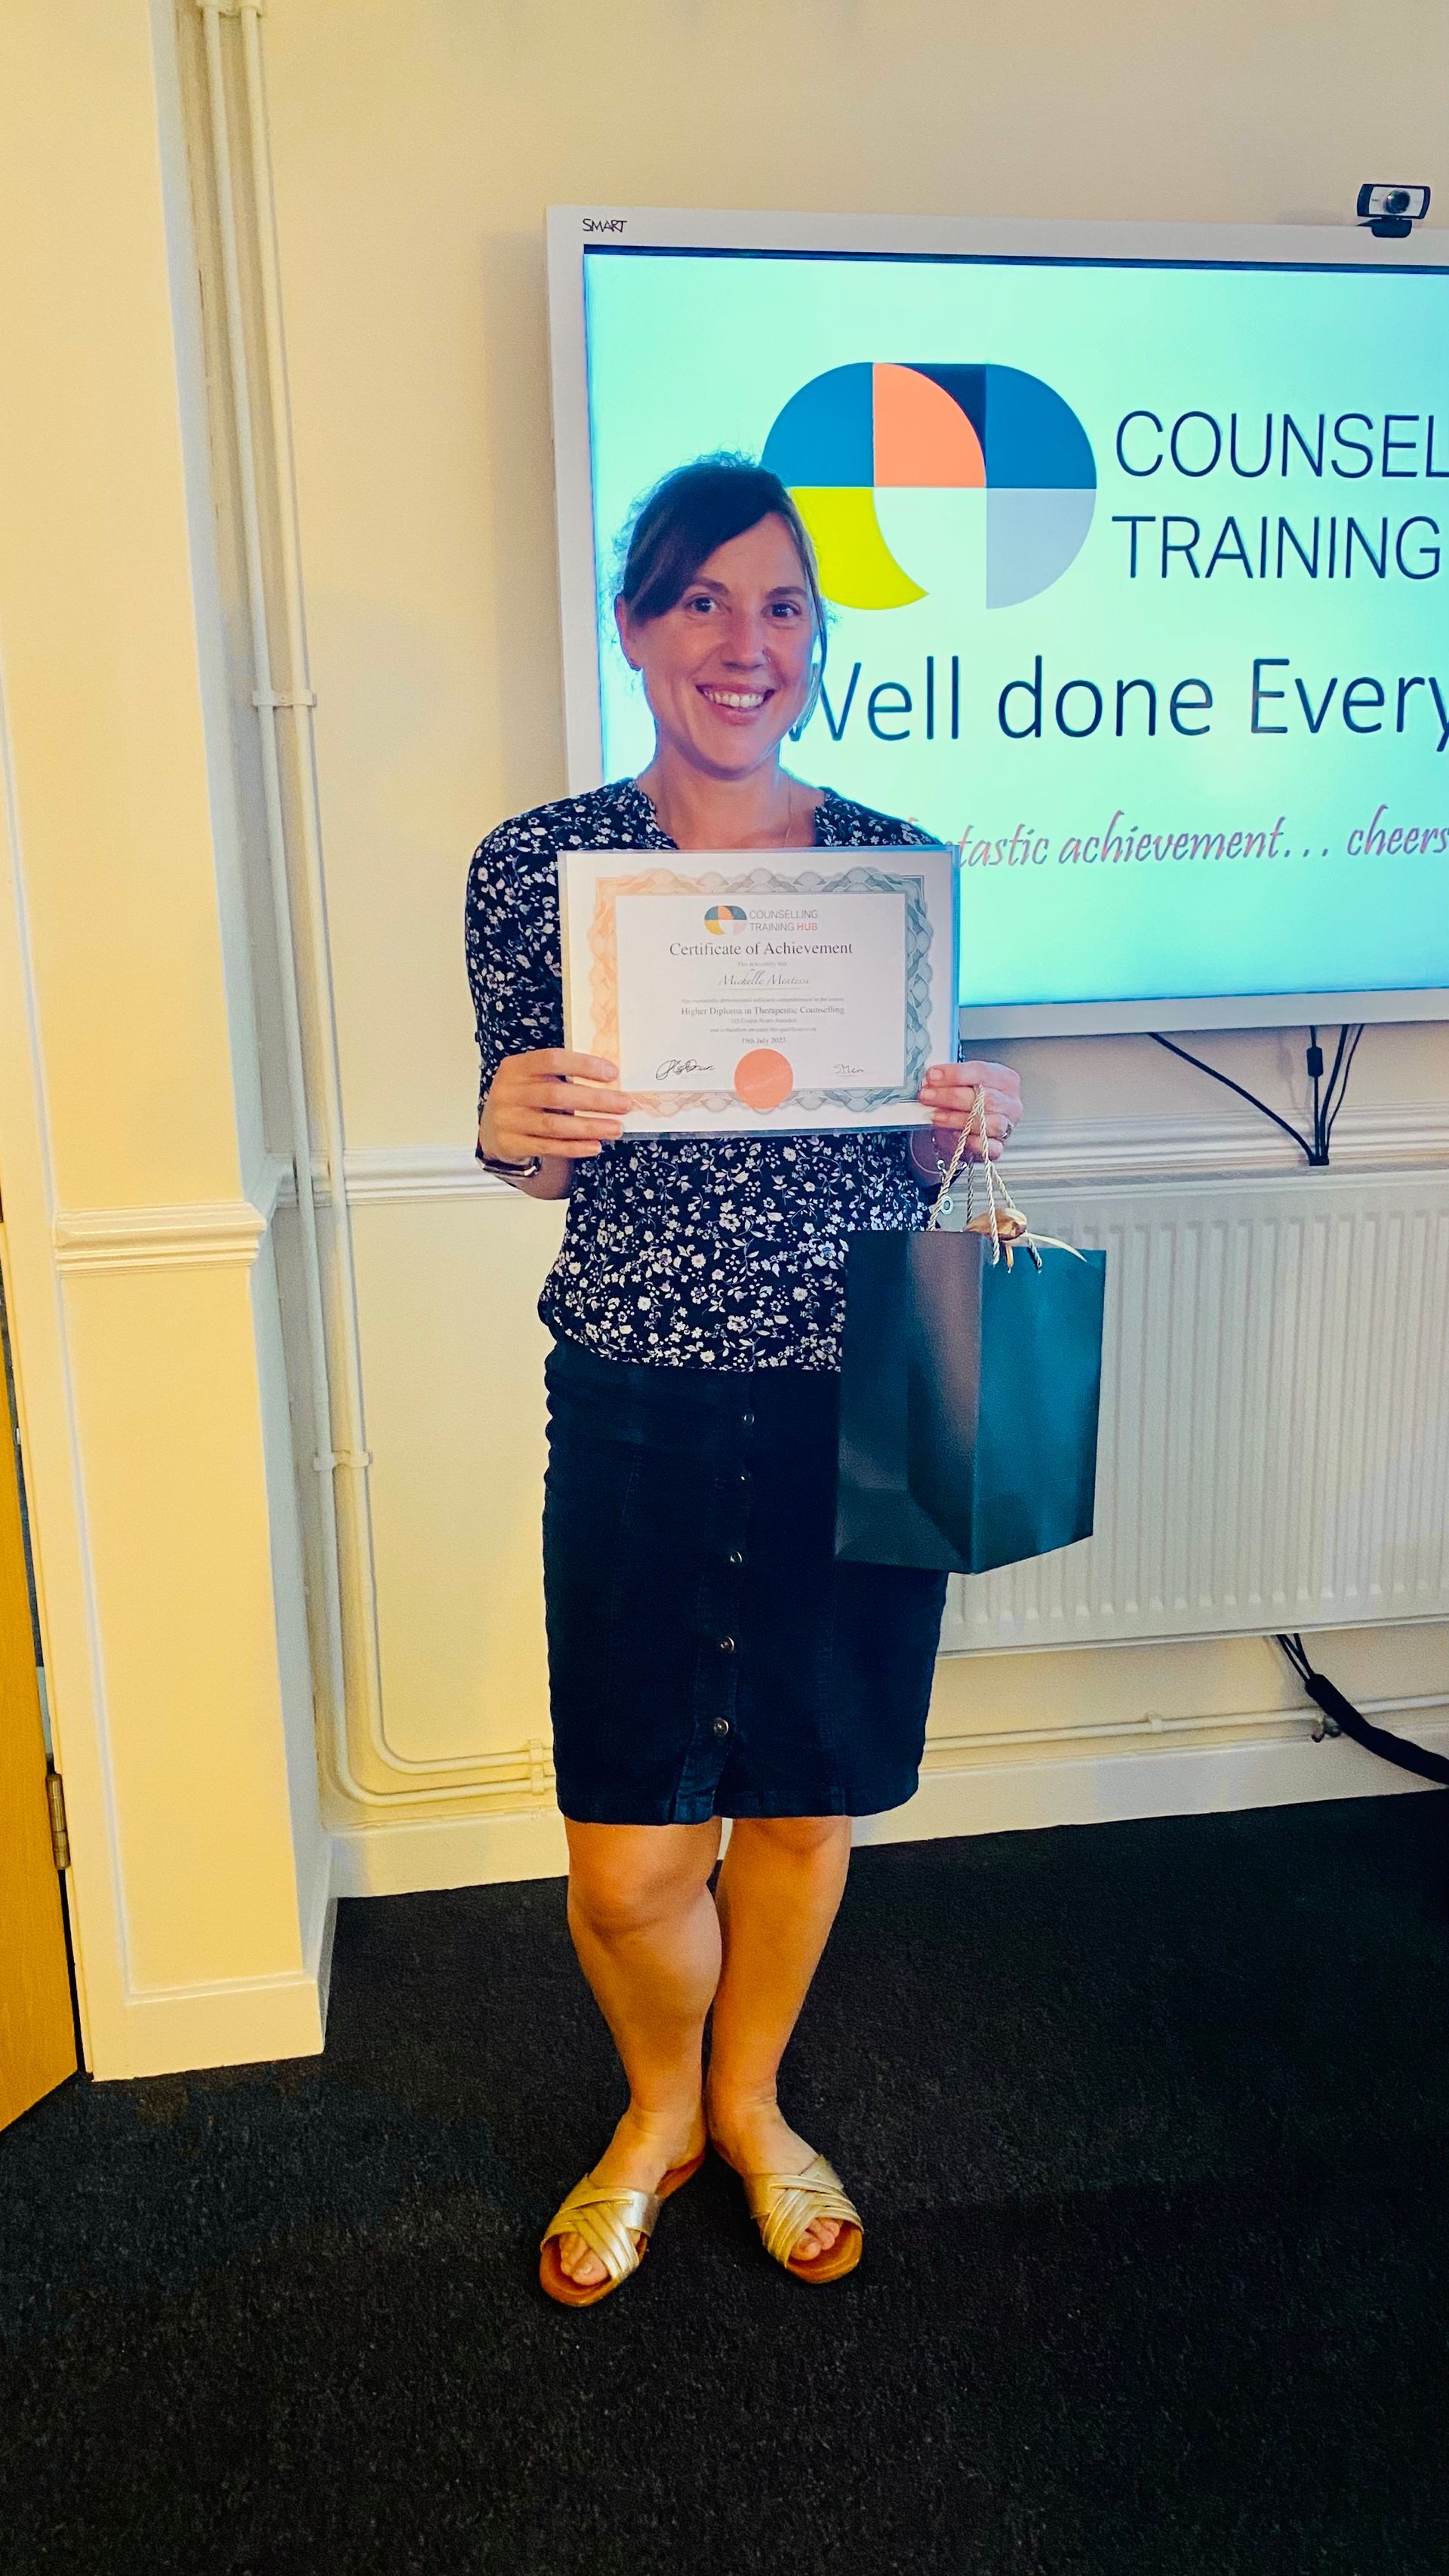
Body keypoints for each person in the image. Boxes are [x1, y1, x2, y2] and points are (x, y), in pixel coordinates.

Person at [466, 456, 1023, 2307]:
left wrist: (968, 1124)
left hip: (852, 1407)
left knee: (799, 1807)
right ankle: (657, 2113)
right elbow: (544, 1152)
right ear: (636, 628)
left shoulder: (891, 874)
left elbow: (908, 1164)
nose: (744, 642)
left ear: (815, 643)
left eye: (781, 606)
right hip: (636, 1398)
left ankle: (753, 2102)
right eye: (702, 600)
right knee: (631, 1863)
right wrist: (511, 1128)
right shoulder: (539, 869)